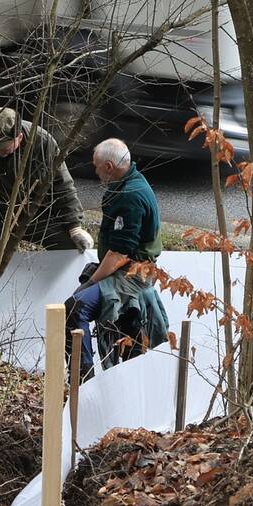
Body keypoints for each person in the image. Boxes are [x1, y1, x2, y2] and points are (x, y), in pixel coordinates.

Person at [64, 138, 168, 378]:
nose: (95, 171)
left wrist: (91, 283)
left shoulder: (130, 195)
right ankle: (87, 374)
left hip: (132, 275)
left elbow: (119, 254)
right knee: (79, 303)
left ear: (109, 166)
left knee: (75, 308)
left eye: (97, 166)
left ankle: (83, 378)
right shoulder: (127, 181)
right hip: (125, 268)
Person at [0, 107, 92, 252]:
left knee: (71, 247)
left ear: (19, 137)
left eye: (4, 148)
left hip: (35, 213)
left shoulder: (43, 143)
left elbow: (62, 184)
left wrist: (74, 226)